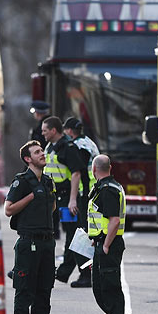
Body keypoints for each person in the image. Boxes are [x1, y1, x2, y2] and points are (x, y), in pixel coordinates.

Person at [5, 140, 63, 314]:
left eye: (42, 151)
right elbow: (8, 209)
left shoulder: (48, 182)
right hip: (28, 243)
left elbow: (53, 206)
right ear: (28, 159)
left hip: (47, 242)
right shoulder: (22, 181)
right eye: (37, 152)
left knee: (44, 288)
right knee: (24, 289)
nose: (42, 154)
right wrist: (29, 198)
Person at [88, 154, 134, 314]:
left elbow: (114, 220)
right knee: (101, 289)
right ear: (110, 167)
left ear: (94, 169)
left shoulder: (108, 190)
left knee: (109, 290)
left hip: (109, 245)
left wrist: (106, 244)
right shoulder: (107, 187)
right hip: (102, 242)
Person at [41, 116, 86, 286]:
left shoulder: (68, 148)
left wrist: (73, 200)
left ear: (53, 130)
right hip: (55, 196)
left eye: (45, 130)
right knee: (56, 232)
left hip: (67, 198)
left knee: (73, 235)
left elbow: (76, 174)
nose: (42, 133)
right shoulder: (50, 147)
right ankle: (61, 272)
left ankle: (84, 273)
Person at [62, 117, 100, 288]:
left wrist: (73, 197)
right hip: (88, 193)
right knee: (75, 233)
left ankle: (87, 273)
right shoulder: (88, 142)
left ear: (69, 131)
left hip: (84, 195)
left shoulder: (79, 146)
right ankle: (68, 271)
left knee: (80, 234)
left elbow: (79, 170)